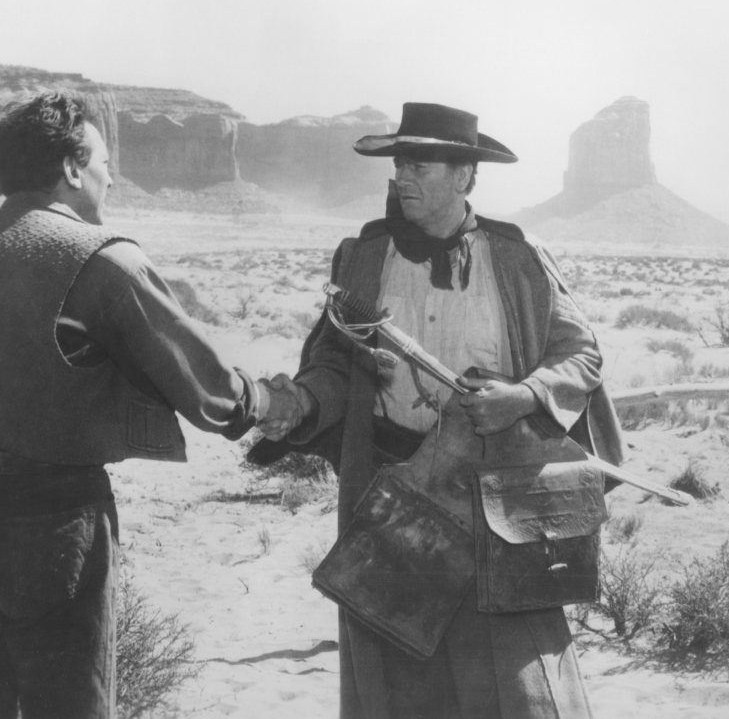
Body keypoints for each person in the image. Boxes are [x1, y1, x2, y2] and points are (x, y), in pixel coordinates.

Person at [0, 90, 274, 718]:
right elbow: (211, 395)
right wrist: (268, 401)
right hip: (53, 526)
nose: (112, 175)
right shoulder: (102, 260)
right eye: (103, 160)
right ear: (72, 169)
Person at [261, 102, 627, 719]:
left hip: (495, 494)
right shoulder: (363, 256)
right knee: (400, 676)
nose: (402, 176)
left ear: (464, 176)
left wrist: (524, 396)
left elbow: (581, 354)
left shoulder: (516, 256)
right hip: (393, 490)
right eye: (400, 162)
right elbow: (330, 363)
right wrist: (299, 400)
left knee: (516, 675)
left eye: (419, 165)